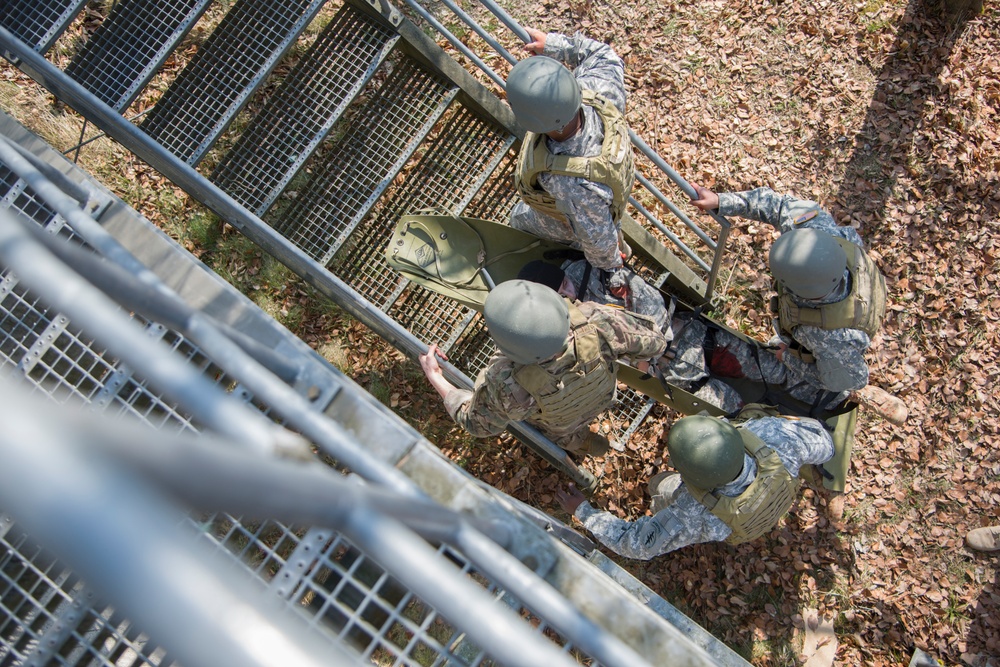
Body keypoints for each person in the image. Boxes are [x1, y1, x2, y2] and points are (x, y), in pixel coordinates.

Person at [689, 184, 906, 423]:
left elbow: (842, 379)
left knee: (823, 384)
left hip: (840, 355)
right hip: (848, 318)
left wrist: (789, 358)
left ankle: (861, 396)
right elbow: (779, 205)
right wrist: (722, 200)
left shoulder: (831, 337)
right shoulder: (817, 233)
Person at [418, 279, 666, 456]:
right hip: (604, 396)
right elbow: (655, 343)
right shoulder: (597, 321)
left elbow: (478, 424)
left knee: (557, 431)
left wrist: (436, 376)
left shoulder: (505, 382)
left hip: (563, 424)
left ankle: (579, 443)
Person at [555, 411, 835, 558]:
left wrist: (583, 511)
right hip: (765, 508)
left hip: (726, 523)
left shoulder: (692, 511)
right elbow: (824, 443)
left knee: (659, 486)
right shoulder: (771, 435)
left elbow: (635, 545)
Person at [505, 27, 635, 298]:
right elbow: (603, 53)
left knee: (518, 220)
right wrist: (553, 44)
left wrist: (612, 269)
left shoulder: (569, 181)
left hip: (584, 213)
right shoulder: (599, 86)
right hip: (607, 192)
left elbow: (597, 238)